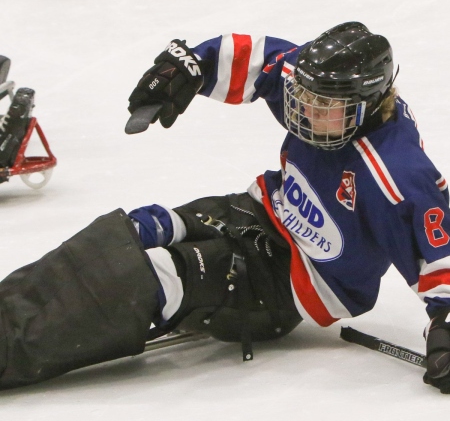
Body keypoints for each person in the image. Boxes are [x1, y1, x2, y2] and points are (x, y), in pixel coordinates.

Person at [0, 22, 449, 393]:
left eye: (323, 106)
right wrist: (187, 66)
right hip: (253, 212)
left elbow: (440, 256)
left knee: (159, 271)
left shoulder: (398, 174)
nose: (305, 111)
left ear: (365, 103)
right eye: (305, 99)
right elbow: (258, 58)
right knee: (143, 228)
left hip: (288, 284)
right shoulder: (320, 87)